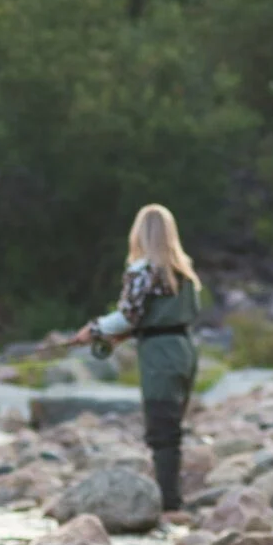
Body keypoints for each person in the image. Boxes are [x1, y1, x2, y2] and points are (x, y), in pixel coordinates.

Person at [69, 204, 202, 515]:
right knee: (173, 425)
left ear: (141, 234)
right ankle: (172, 496)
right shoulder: (184, 273)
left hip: (159, 356)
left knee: (161, 428)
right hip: (184, 351)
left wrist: (93, 329)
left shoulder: (142, 271)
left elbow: (128, 315)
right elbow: (165, 317)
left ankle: (169, 502)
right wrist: (126, 335)